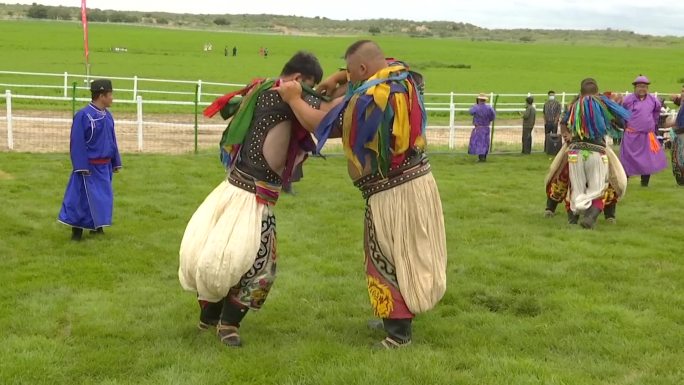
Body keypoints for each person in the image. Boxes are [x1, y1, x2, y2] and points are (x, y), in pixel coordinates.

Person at [277, 40, 447, 349]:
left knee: (385, 257)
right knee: (406, 252)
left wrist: (294, 100)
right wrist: (340, 77)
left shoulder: (371, 99)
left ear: (365, 70)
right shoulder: (400, 77)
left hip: (393, 192)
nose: (350, 79)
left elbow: (324, 124)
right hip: (414, 183)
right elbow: (389, 58)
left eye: (354, 73)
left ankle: (397, 335)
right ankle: (395, 317)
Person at [178, 51, 326, 348]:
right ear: (297, 80)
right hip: (252, 197)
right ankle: (228, 324)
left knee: (219, 254)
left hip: (233, 188)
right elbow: (324, 119)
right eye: (308, 85)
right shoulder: (281, 97)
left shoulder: (261, 90)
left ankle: (210, 317)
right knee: (259, 266)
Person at [551, 78, 630, 229]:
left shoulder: (574, 105)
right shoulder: (603, 103)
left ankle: (573, 219)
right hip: (597, 152)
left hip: (574, 152)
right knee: (599, 187)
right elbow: (621, 123)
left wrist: (567, 134)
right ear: (597, 92)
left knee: (576, 186)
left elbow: (563, 122)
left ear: (581, 92)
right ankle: (591, 217)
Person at [58, 79, 122, 241]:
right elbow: (77, 141)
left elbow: (111, 140)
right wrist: (81, 165)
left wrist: (115, 161)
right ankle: (77, 232)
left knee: (102, 199)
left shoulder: (108, 116)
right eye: (110, 95)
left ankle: (97, 228)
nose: (112, 98)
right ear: (101, 96)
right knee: (82, 200)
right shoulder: (83, 115)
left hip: (104, 166)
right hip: (89, 167)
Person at [619, 75, 668, 187]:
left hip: (647, 136)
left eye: (645, 86)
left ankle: (644, 183)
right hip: (631, 135)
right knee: (627, 159)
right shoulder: (627, 100)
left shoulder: (653, 101)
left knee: (648, 159)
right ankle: (624, 182)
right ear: (635, 87)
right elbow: (622, 115)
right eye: (640, 86)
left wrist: (652, 125)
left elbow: (656, 113)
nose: (642, 89)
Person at [468, 93, 496, 162]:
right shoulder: (489, 108)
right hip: (486, 127)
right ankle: (484, 156)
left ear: (479, 99)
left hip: (479, 128)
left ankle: (481, 158)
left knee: (480, 142)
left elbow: (470, 112)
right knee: (485, 142)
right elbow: (493, 117)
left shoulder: (476, 107)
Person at [668, 86, 684, 185]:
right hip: (679, 133)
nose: (682, 93)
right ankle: (681, 179)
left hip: (682, 133)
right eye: (682, 91)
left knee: (680, 157)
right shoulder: (682, 103)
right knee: (678, 157)